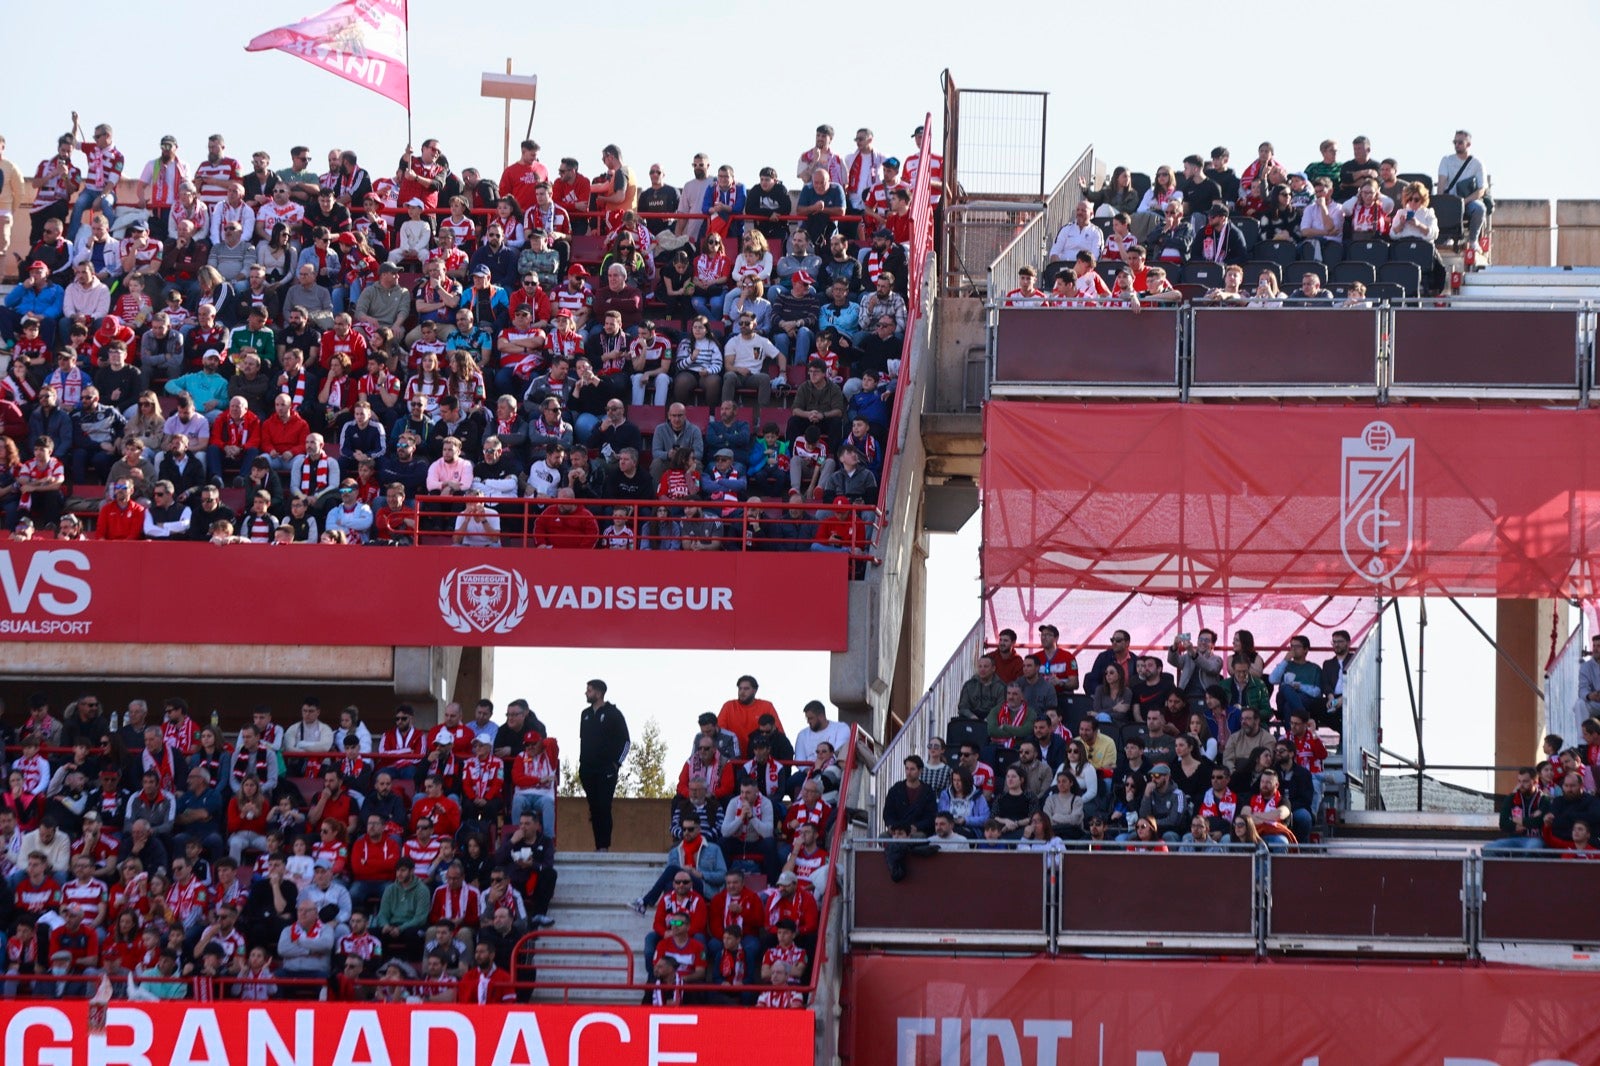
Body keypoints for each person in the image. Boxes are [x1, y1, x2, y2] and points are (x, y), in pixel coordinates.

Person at [578, 680, 629, 853]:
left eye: (589, 690)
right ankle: (597, 844)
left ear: (599, 693)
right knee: (594, 808)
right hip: (587, 770)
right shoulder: (584, 714)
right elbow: (583, 741)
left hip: (606, 770)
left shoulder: (614, 713)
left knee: (604, 806)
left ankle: (604, 846)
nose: (586, 693)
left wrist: (616, 764)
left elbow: (626, 742)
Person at [1438, 130, 1488, 248]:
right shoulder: (1446, 160)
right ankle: (1446, 237)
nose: (1457, 145)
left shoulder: (1477, 163)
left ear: (1468, 144)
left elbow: (1481, 189)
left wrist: (1464, 202)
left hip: (1468, 200)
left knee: (1480, 209)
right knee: (1438, 207)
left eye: (1460, 142)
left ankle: (1472, 240)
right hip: (1450, 199)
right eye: (1455, 142)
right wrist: (1441, 201)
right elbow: (1441, 183)